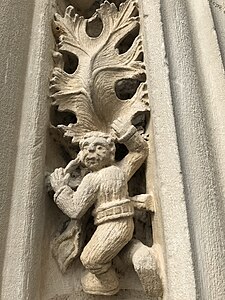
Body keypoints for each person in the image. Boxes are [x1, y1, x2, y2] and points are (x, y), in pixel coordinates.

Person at [50, 120, 148, 295]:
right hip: (125, 224)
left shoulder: (92, 179)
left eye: (98, 147)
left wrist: (60, 189)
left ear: (111, 152)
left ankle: (109, 285)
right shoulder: (121, 170)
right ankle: (139, 254)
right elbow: (139, 151)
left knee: (90, 260)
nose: (91, 152)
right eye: (86, 148)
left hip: (110, 226)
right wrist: (129, 135)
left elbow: (74, 210)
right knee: (116, 250)